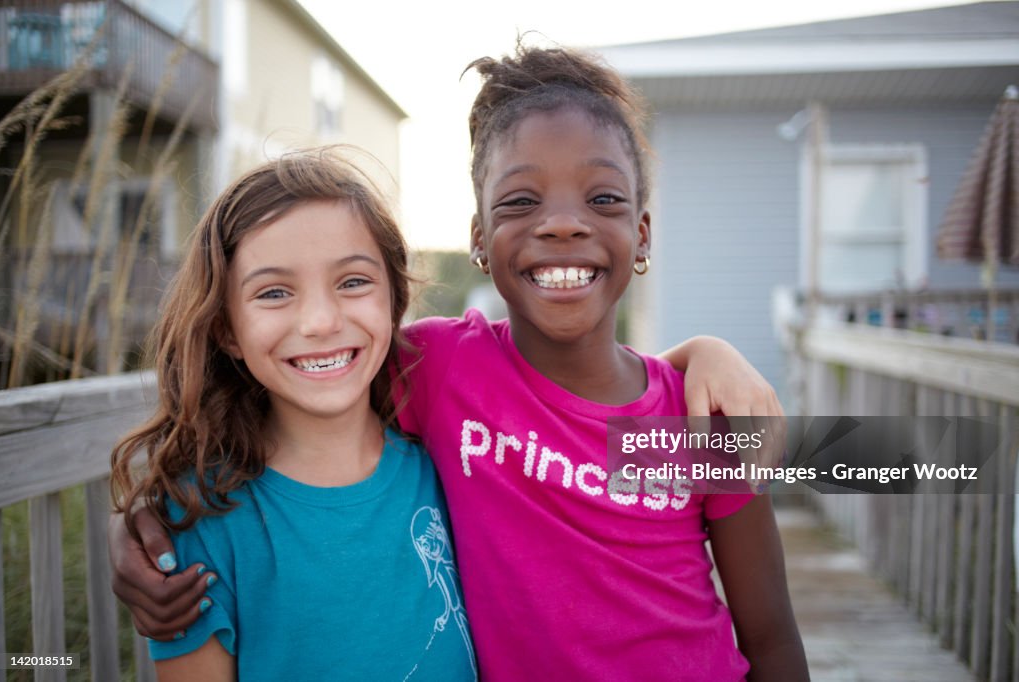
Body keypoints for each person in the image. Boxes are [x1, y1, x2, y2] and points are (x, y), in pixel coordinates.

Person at [111, 45, 804, 680]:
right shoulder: (442, 370)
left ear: (642, 231)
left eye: (603, 198)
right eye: (522, 200)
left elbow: (772, 638)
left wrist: (709, 352)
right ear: (479, 236)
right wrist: (147, 524)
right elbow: (300, 370)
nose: (563, 223)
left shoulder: (702, 418)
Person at [110, 149, 478, 681]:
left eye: (352, 282)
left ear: (394, 299)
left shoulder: (451, 465)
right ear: (227, 330)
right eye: (274, 292)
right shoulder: (201, 525)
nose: (321, 321)